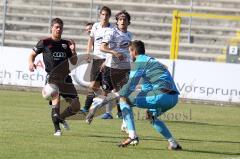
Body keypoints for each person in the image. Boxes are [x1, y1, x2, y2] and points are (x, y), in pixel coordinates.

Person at [117, 40, 182, 150]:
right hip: (173, 98)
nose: (129, 55)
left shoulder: (139, 62)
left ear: (133, 51)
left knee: (123, 100)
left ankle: (132, 136)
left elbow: (130, 85)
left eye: (129, 52)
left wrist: (119, 95)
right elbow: (146, 88)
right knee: (151, 116)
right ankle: (173, 143)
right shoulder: (154, 62)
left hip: (161, 96)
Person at [28, 18, 81, 136]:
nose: (59, 29)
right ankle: (57, 130)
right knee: (55, 103)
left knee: (76, 106)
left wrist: (74, 51)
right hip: (53, 78)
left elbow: (74, 62)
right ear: (51, 28)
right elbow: (32, 54)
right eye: (56, 27)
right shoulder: (44, 42)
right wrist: (31, 63)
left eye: (60, 27)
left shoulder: (67, 44)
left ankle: (61, 118)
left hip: (66, 78)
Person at [81, 6, 115, 120]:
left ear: (109, 16)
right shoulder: (95, 26)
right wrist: (88, 52)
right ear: (100, 15)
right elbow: (91, 39)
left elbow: (113, 46)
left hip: (107, 60)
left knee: (107, 89)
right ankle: (91, 106)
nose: (104, 17)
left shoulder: (112, 29)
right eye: (103, 14)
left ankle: (108, 113)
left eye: (107, 15)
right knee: (93, 86)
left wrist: (108, 60)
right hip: (96, 59)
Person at [99, 10, 132, 119]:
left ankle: (121, 113)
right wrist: (113, 53)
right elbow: (102, 47)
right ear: (117, 22)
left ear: (128, 22)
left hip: (124, 68)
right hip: (111, 67)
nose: (122, 21)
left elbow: (129, 50)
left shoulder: (129, 35)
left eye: (125, 20)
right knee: (106, 91)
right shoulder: (111, 32)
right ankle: (108, 113)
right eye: (120, 19)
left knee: (121, 92)